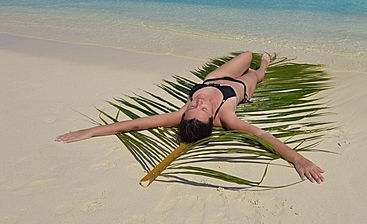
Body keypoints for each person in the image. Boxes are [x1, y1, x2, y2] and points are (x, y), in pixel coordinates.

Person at [56, 51, 325, 183]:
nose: (199, 101)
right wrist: (298, 160)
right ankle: (265, 65)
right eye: (203, 108)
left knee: (245, 54)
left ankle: (256, 60)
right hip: (240, 89)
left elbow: (135, 124)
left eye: (194, 105)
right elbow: (262, 135)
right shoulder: (228, 116)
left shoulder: (183, 114)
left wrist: (91, 131)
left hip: (216, 78)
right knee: (256, 70)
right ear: (212, 119)